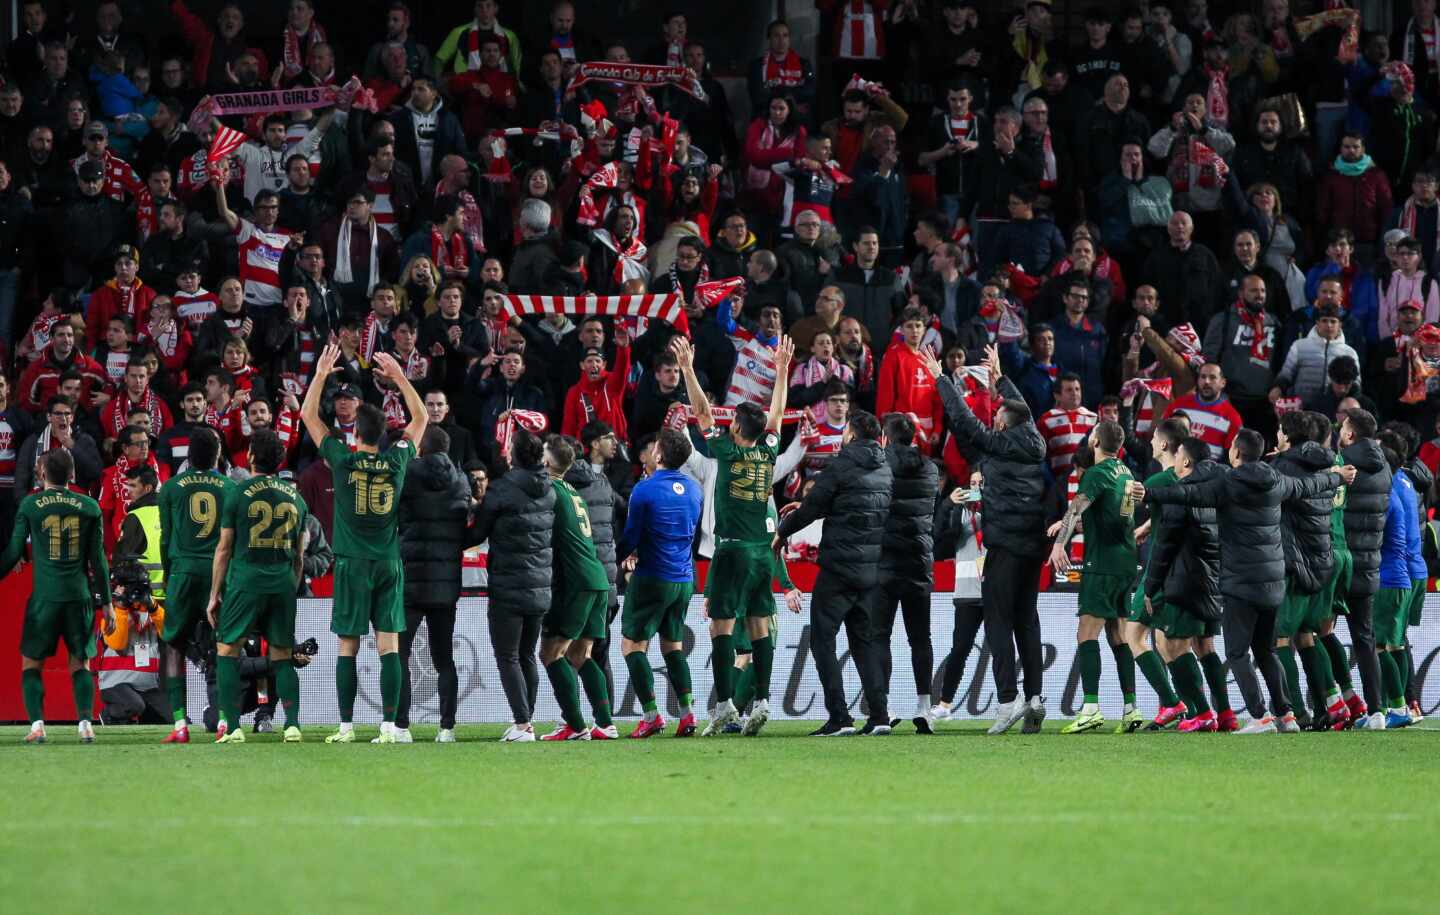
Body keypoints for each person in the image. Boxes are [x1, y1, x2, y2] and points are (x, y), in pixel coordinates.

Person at [1146, 429, 1354, 732]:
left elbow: (1188, 493)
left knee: (1237, 652)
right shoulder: (1277, 481)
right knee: (1266, 650)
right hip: (1273, 583)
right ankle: (1286, 714)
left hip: (1241, 583)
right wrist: (1338, 477)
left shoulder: (1228, 484)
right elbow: (1310, 485)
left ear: (1235, 453)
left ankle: (1260, 716)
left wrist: (1148, 492)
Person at [300, 345, 426, 745]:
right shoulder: (397, 461)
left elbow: (307, 416)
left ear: (355, 433)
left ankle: (346, 727)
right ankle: (389, 727)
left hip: (353, 564)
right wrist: (399, 377)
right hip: (388, 562)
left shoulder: (343, 460)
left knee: (348, 645)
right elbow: (421, 417)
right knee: (390, 645)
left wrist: (321, 374)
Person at [672, 332, 795, 736]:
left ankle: (724, 703)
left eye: (732, 422)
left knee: (721, 625)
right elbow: (777, 414)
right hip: (763, 552)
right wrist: (782, 371)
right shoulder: (768, 449)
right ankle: (761, 700)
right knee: (760, 624)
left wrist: (688, 369)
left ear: (738, 429)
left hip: (730, 550)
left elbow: (703, 412)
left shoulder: (728, 451)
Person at [928, 344, 1048, 734]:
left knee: (997, 619)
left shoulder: (999, 444)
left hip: (1005, 545)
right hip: (1032, 546)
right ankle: (1035, 698)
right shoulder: (1034, 442)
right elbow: (1021, 408)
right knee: (1027, 619)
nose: (993, 416)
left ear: (1002, 425)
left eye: (996, 413)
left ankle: (1008, 700)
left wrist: (941, 380)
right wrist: (999, 378)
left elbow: (963, 422)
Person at [204, 430, 309, 744]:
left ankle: (233, 728)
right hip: (281, 583)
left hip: (245, 582)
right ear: (279, 460)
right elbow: (300, 558)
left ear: (250, 455)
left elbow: (224, 548)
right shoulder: (296, 498)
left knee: (227, 649)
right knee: (282, 653)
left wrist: (214, 594)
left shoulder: (238, 492)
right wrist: (289, 586)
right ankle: (292, 725)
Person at [0, 450, 113, 744]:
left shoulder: (31, 505)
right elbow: (98, 560)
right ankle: (86, 723)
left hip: (45, 599)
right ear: (72, 474)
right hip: (79, 597)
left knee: (31, 664)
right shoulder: (89, 507)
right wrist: (109, 603)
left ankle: (37, 725)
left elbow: (14, 552)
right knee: (81, 664)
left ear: (41, 474)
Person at [1047, 420, 1144, 733]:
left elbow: (1075, 508)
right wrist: (1083, 526)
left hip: (1100, 565)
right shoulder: (1127, 475)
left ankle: (1090, 708)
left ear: (1095, 441)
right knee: (1118, 635)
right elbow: (1122, 518)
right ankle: (1131, 709)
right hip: (1126, 562)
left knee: (1086, 634)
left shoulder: (1095, 474)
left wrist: (1059, 545)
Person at [616, 427, 703, 738]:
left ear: (660, 455)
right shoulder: (695, 489)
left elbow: (631, 535)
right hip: (684, 578)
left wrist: (619, 557)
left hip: (653, 576)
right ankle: (688, 714)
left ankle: (652, 716)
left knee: (631, 646)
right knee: (672, 647)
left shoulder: (645, 489)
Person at [470, 425, 554, 742]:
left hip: (508, 585)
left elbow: (477, 534)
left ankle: (523, 725)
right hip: (541, 585)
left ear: (513, 456)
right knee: (527, 655)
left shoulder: (502, 489)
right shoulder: (549, 488)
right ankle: (526, 722)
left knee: (508, 656)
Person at [535, 435, 615, 741]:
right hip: (598, 579)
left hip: (576, 581)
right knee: (582, 655)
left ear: (545, 462)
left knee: (551, 653)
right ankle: (605, 724)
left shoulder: (550, 490)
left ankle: (575, 724)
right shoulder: (574, 491)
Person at [395, 426, 471, 744]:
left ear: (421, 448)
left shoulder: (407, 474)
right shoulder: (461, 479)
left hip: (411, 580)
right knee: (444, 660)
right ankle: (447, 728)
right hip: (446, 583)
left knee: (400, 655)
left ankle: (400, 727)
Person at [154, 427, 228, 744]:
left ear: (189, 456)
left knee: (173, 645)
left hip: (183, 573)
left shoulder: (170, 489)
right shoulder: (230, 488)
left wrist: (170, 576)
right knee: (223, 645)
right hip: (216, 574)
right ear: (217, 454)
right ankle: (226, 721)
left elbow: (165, 538)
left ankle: (180, 724)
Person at [873, 413, 938, 732]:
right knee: (920, 638)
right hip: (918, 562)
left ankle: (882, 711)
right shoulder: (930, 469)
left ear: (884, 437)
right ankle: (925, 707)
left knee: (880, 636)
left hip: (884, 563)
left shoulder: (878, 467)